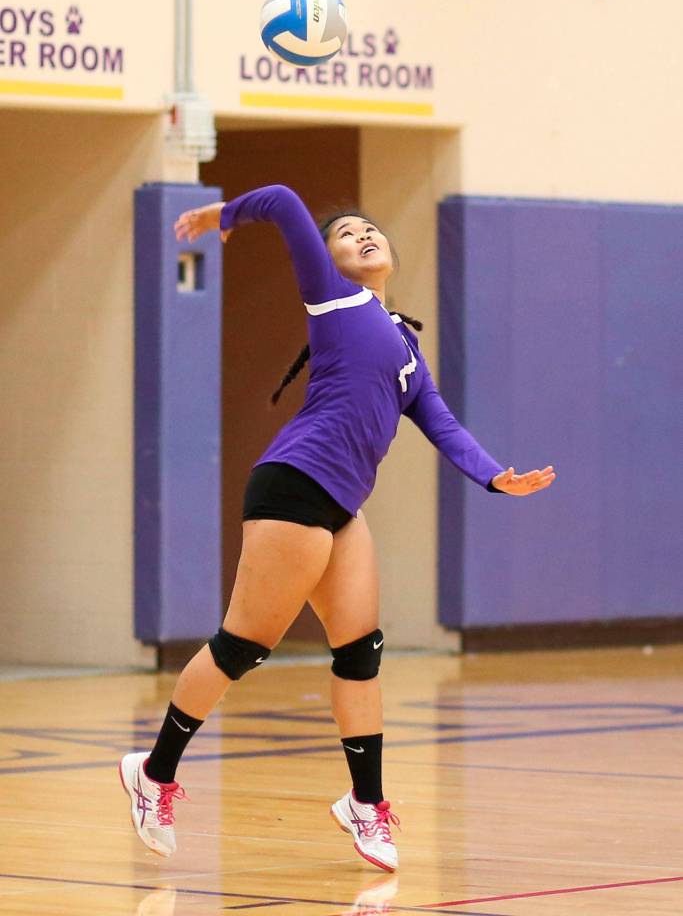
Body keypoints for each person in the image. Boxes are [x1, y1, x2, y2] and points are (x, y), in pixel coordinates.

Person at [119, 184, 555, 872]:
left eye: (370, 229)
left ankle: (364, 804)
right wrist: (219, 216)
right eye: (346, 233)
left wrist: (495, 476)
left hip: (343, 507)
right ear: (327, 261)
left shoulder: (406, 347)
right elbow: (285, 203)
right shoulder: (333, 299)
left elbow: (439, 423)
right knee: (242, 646)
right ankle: (155, 771)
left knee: (360, 653)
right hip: (294, 483)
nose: (362, 235)